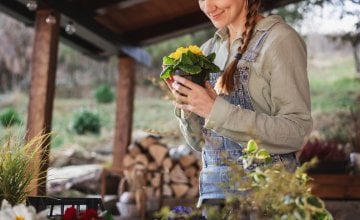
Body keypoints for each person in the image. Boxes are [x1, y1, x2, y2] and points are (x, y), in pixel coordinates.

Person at [165, 0, 312, 209]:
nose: (208, 7)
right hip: (215, 196)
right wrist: (187, 105)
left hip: (268, 195)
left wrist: (214, 110)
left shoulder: (279, 40)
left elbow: (297, 132)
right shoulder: (207, 51)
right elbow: (200, 144)